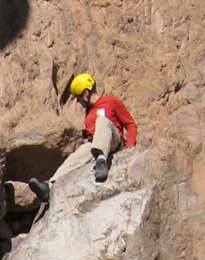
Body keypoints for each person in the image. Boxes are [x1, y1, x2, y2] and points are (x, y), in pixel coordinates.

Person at [27, 71, 139, 204]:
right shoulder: (88, 112)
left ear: (86, 92)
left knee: (102, 121)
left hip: (114, 140)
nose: (78, 101)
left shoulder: (111, 102)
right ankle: (50, 186)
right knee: (77, 155)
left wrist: (130, 147)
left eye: (78, 97)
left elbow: (130, 125)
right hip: (96, 145)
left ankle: (101, 161)